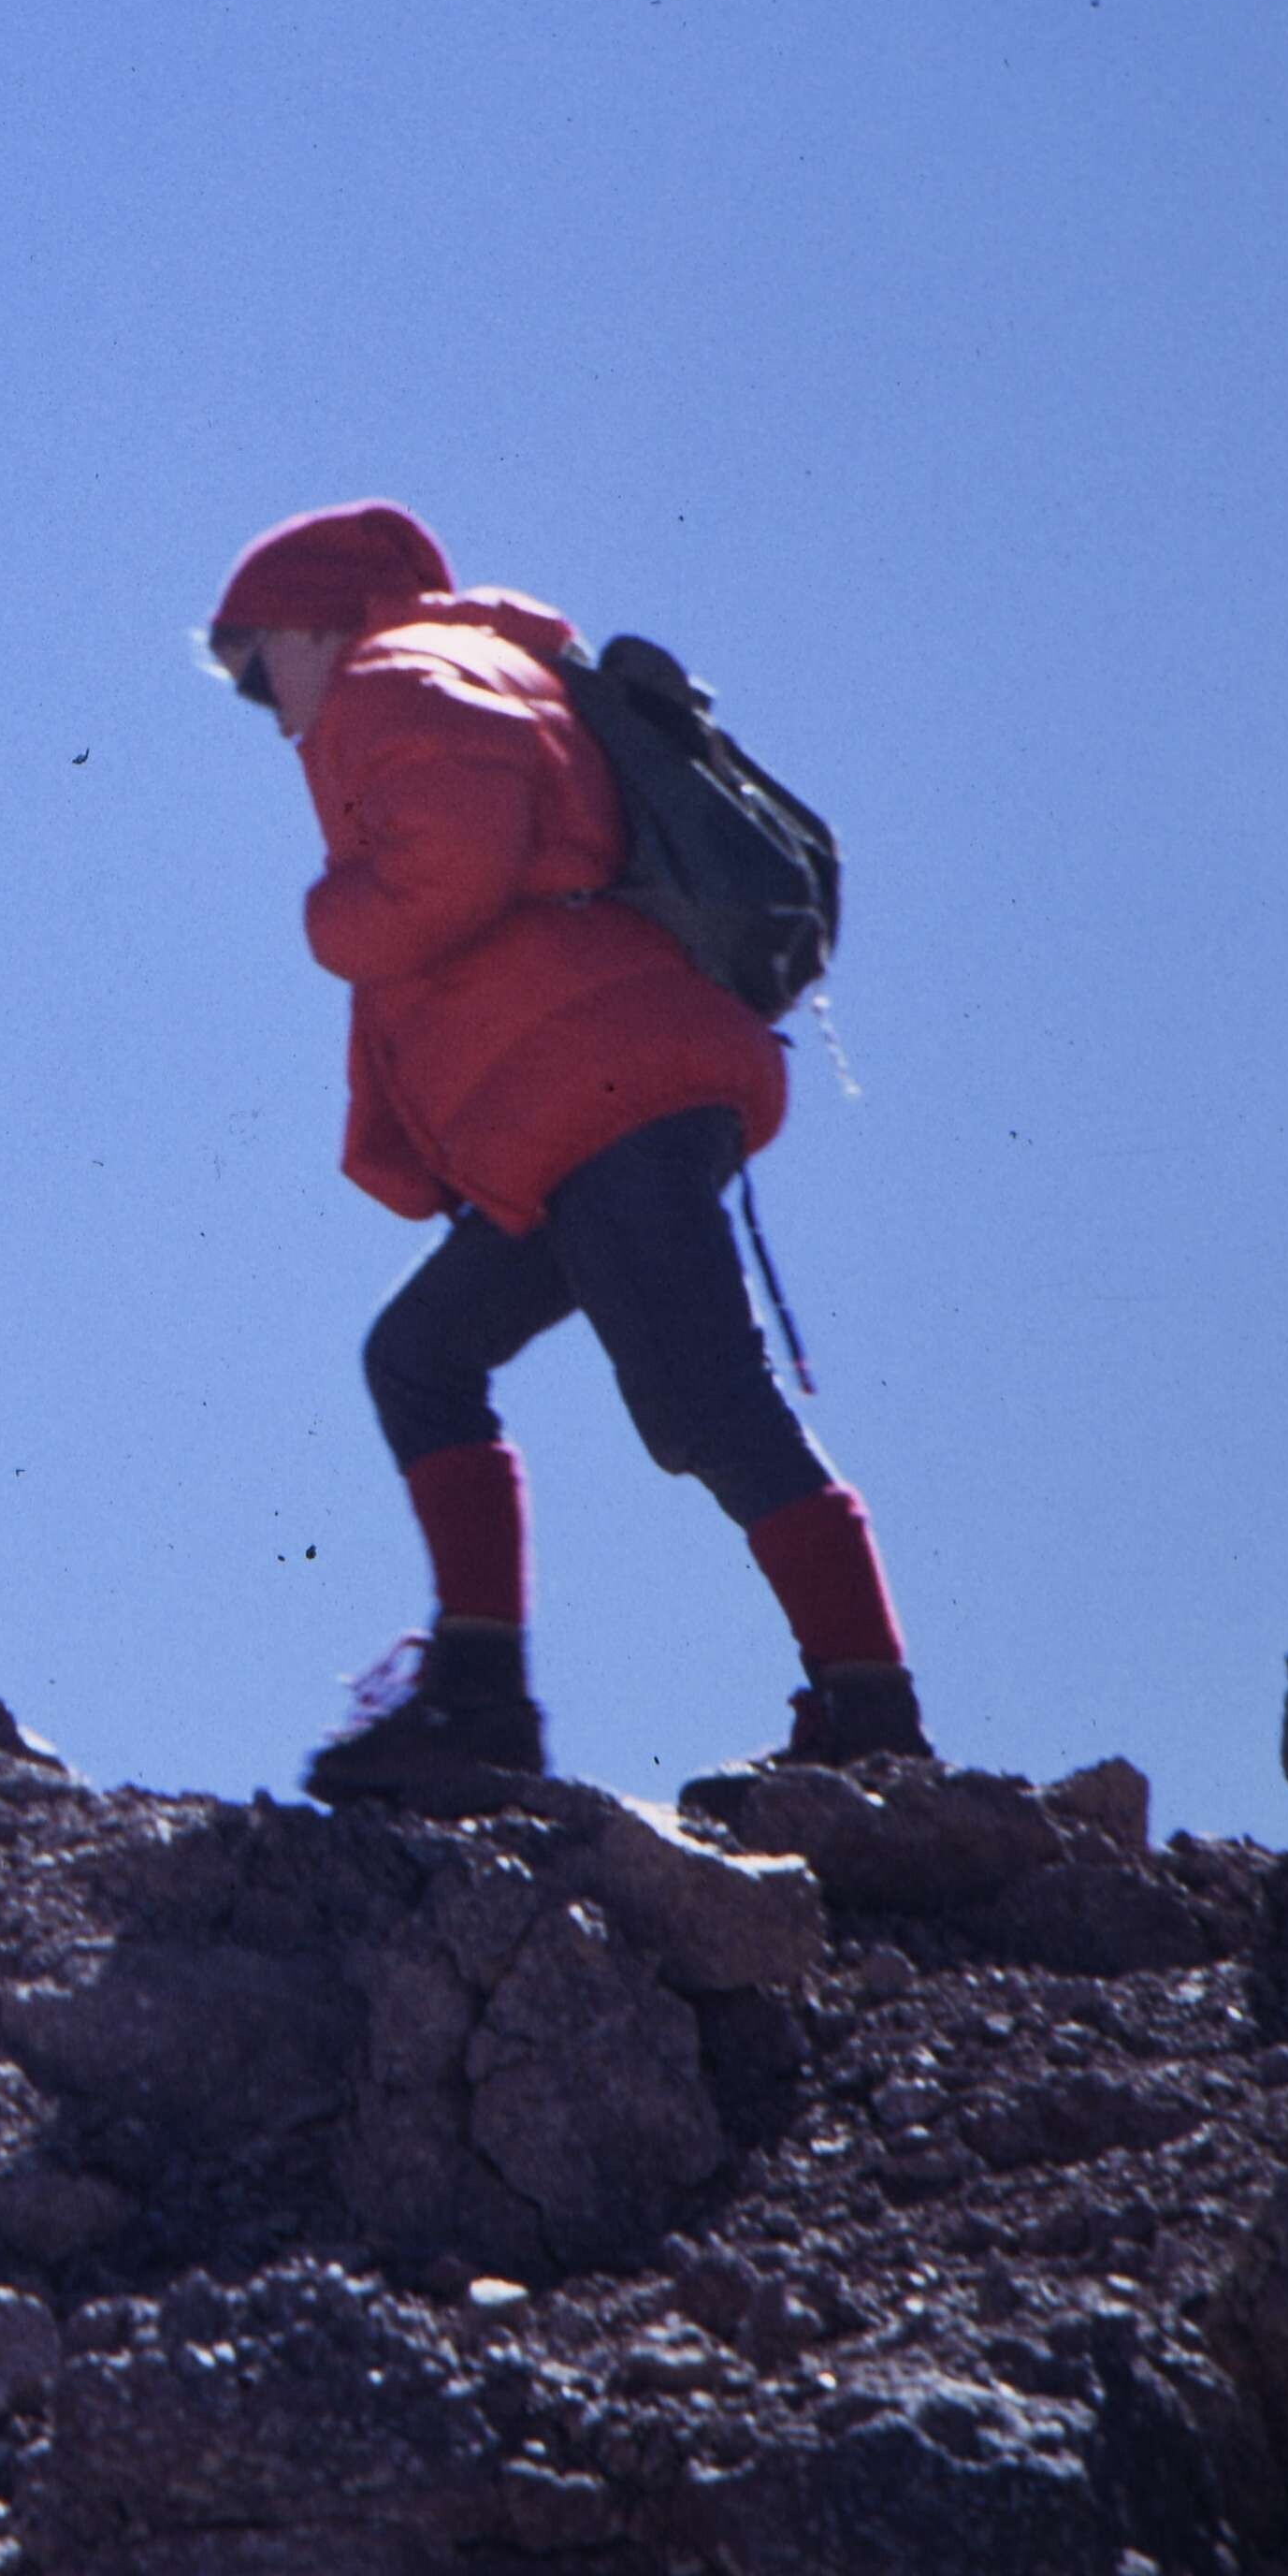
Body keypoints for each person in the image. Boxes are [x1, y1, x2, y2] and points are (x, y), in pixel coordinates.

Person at [210, 501, 924, 1798]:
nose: (268, 713)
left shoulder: (393, 670)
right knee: (421, 1355)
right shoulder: (475, 661)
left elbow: (453, 859)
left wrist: (331, 918)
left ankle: (873, 1720)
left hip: (602, 1097)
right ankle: (480, 1697)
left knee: (712, 1404)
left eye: (257, 671)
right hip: (590, 1100)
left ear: (308, 623)